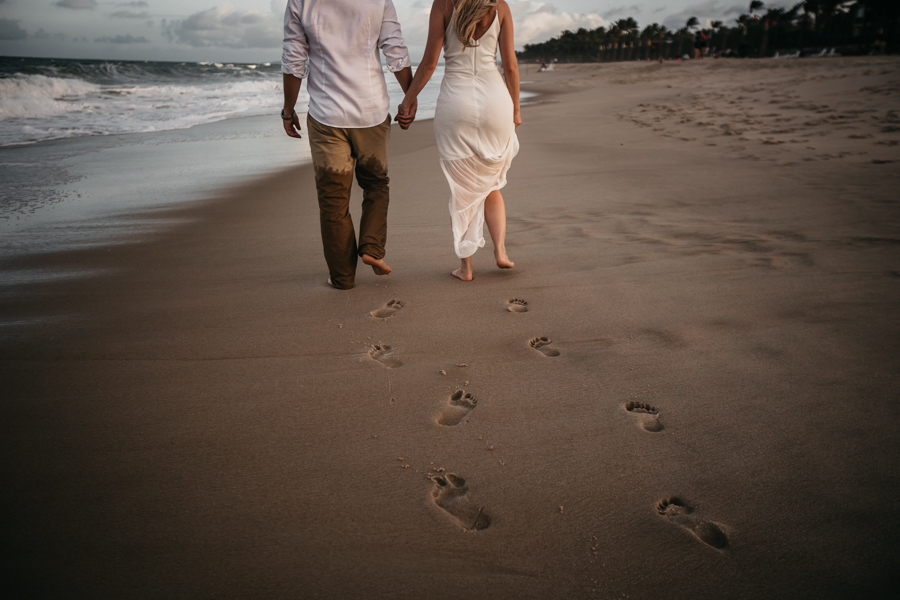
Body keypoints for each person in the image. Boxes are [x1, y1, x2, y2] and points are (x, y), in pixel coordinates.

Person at [281, 0, 416, 290]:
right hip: (371, 111)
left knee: (333, 199)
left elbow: (294, 60)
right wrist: (410, 97)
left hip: (326, 114)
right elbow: (395, 51)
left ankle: (342, 277)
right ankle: (371, 247)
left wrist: (288, 109)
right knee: (376, 184)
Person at [398, 0, 520, 281]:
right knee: (492, 184)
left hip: (456, 103)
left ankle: (466, 268)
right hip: (496, 102)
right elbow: (511, 66)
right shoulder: (499, 6)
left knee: (462, 189)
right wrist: (515, 108)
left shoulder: (443, 4)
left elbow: (429, 63)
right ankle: (500, 251)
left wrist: (408, 100)